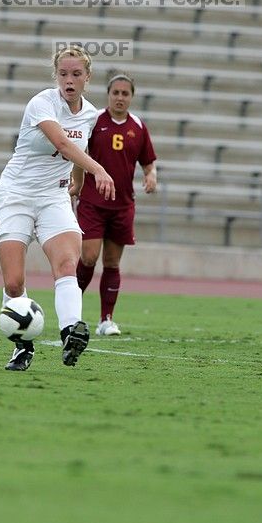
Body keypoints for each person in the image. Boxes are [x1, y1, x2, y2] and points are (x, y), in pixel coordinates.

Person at [0, 45, 115, 372]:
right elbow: (62, 143)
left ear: (88, 78)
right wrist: (97, 170)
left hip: (53, 198)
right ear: (55, 75)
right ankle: (22, 346)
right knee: (14, 283)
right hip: (15, 195)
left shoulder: (90, 114)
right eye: (63, 74)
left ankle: (71, 330)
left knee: (66, 265)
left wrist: (77, 180)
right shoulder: (42, 103)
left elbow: (77, 148)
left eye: (76, 74)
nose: (69, 80)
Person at [75, 72, 157, 335]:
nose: (120, 97)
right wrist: (75, 184)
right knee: (88, 257)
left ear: (131, 97)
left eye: (125, 93)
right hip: (92, 202)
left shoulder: (138, 126)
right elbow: (76, 152)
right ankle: (72, 312)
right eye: (116, 93)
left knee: (111, 262)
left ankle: (106, 320)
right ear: (108, 94)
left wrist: (151, 175)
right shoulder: (93, 121)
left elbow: (148, 160)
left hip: (122, 206)